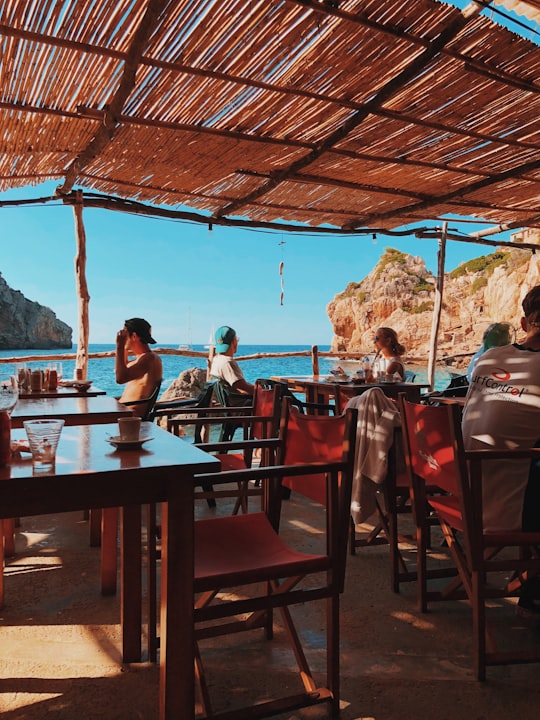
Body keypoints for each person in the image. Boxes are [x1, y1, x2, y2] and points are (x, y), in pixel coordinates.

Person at [461, 285, 540, 615]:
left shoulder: (488, 357)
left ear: (523, 324)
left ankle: (529, 585)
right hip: (506, 501)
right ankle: (533, 588)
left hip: (462, 492)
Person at [115, 317, 163, 417]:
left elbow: (120, 378)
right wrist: (123, 347)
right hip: (124, 410)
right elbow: (120, 369)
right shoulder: (142, 359)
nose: (123, 337)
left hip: (131, 416)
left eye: (125, 334)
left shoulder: (150, 359)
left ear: (134, 336)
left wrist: (120, 346)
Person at [209, 325, 254, 398]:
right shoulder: (227, 362)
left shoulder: (216, 360)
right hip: (243, 405)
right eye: (237, 339)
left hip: (233, 403)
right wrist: (264, 390)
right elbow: (243, 388)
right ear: (234, 341)